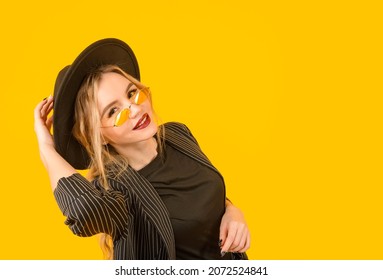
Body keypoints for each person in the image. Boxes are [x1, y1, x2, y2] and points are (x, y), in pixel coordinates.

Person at [34, 38, 250, 260]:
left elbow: (204, 196)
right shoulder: (114, 190)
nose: (135, 109)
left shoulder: (178, 135)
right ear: (99, 136)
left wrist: (232, 211)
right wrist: (46, 147)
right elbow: (83, 210)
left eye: (131, 93)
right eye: (113, 111)